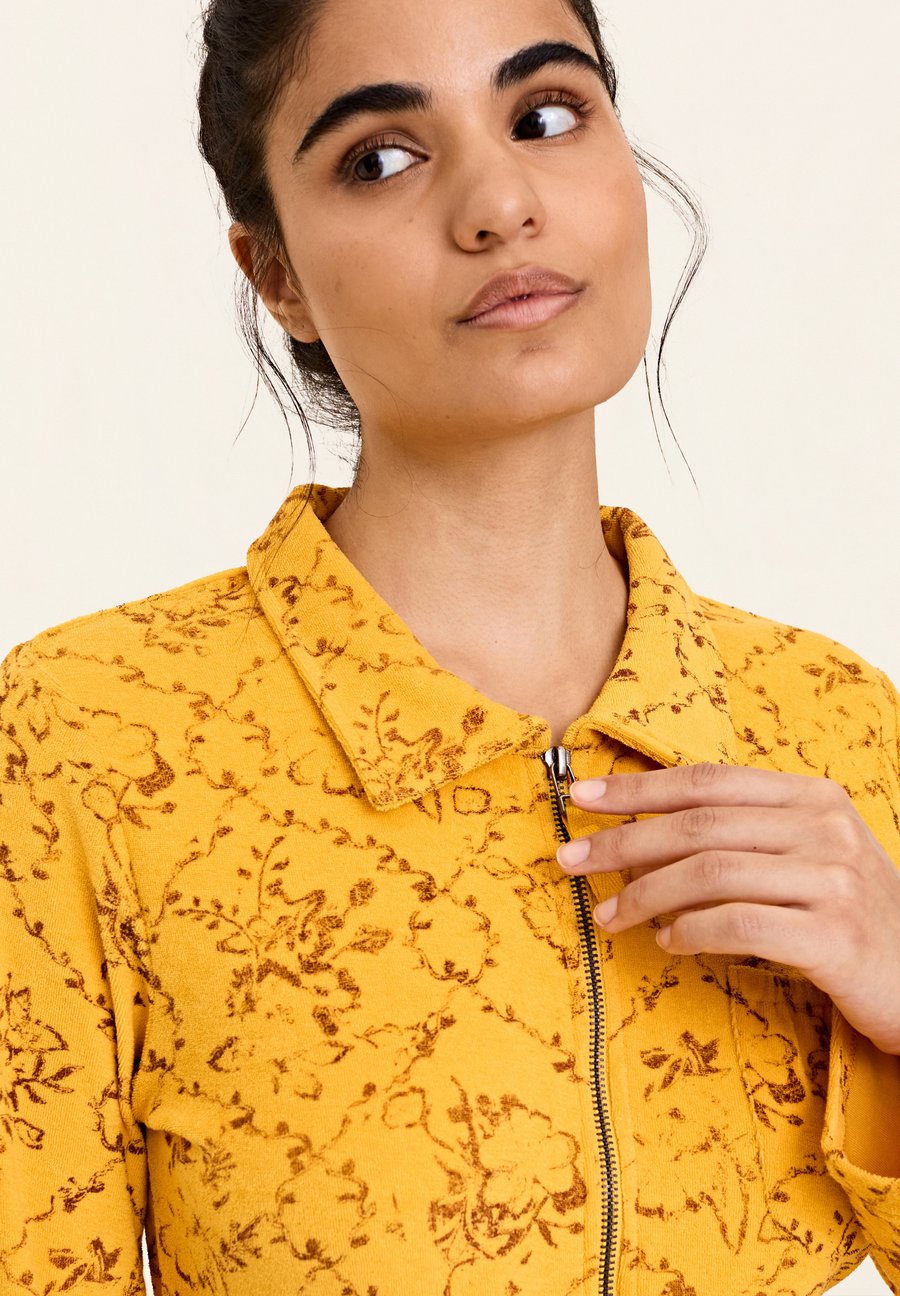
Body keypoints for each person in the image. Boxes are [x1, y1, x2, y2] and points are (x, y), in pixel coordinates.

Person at [2, 0, 899, 1292]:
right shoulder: (89, 737)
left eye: (546, 114)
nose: (499, 205)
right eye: (380, 157)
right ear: (277, 275)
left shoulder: (830, 723)